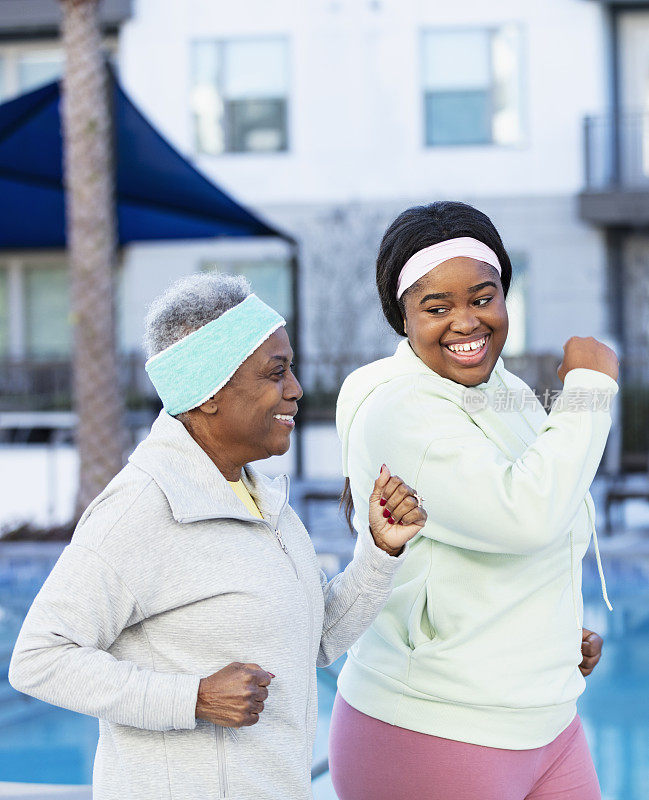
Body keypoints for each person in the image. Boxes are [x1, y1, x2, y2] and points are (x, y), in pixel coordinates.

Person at [8, 273, 427, 800]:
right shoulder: (142, 508)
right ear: (208, 393)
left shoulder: (260, 498)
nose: (295, 389)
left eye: (291, 370)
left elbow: (313, 643)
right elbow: (39, 659)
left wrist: (380, 551)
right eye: (277, 373)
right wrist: (195, 698)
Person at [329, 201, 616, 800]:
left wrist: (548, 632)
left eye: (482, 299)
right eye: (437, 308)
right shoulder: (400, 410)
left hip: (547, 722)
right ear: (402, 319)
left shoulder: (506, 391)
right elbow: (526, 515)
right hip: (434, 728)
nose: (466, 322)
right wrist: (592, 384)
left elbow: (548, 497)